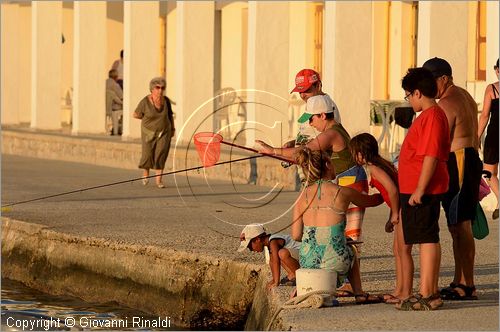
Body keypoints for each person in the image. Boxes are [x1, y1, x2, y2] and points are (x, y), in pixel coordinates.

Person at [256, 94, 369, 296]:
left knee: (351, 236)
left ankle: (351, 286)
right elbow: (308, 154)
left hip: (352, 181)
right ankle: (344, 280)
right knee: (343, 235)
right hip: (344, 181)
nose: (310, 123)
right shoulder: (332, 131)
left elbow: (307, 151)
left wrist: (272, 150)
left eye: (312, 118)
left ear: (323, 115)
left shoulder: (332, 133)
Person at [423, 57, 483, 301]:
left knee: (460, 225)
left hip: (458, 160)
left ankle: (467, 283)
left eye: (430, 82)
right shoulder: (465, 95)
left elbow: (439, 141)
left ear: (444, 79)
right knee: (458, 224)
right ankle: (461, 280)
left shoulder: (446, 104)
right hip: (468, 158)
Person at [291, 148, 384, 304]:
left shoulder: (302, 197)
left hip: (308, 262)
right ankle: (359, 293)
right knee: (351, 249)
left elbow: (295, 235)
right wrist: (390, 186)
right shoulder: (343, 192)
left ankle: (305, 287)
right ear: (328, 164)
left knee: (331, 246)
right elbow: (373, 201)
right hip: (335, 262)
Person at [395, 67, 450, 311]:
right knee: (422, 237)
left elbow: (431, 156)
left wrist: (419, 189)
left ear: (417, 93)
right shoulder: (426, 116)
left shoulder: (433, 116)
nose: (408, 100)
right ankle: (427, 291)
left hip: (422, 190)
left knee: (427, 237)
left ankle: (429, 293)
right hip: (414, 187)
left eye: (408, 95)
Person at [350, 133, 409, 304]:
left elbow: (392, 190)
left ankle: (404, 291)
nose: (354, 157)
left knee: (402, 251)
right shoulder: (380, 164)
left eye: (355, 153)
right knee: (397, 250)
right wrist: (391, 215)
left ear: (362, 153)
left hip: (403, 210)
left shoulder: (374, 168)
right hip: (400, 209)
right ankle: (399, 289)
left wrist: (395, 214)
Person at [133, 77, 175, 189]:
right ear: (152, 89)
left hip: (164, 131)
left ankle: (159, 181)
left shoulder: (166, 101)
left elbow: (169, 115)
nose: (160, 90)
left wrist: (173, 129)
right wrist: (147, 119)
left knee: (161, 153)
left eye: (162, 88)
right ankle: (146, 173)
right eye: (157, 88)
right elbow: (136, 114)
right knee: (147, 154)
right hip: (148, 132)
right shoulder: (145, 102)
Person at [238, 223, 301, 291]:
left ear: (257, 240)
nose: (251, 250)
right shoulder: (269, 242)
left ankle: (298, 276)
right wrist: (274, 280)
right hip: (297, 255)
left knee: (282, 253)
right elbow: (272, 261)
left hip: (304, 254)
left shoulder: (273, 241)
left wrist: (276, 282)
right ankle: (292, 274)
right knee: (278, 255)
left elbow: (276, 262)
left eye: (250, 247)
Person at [478, 59, 499, 220]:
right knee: (489, 172)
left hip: (494, 135)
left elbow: (485, 115)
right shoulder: (491, 88)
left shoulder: (492, 89)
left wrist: (476, 137)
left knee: (489, 172)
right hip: (493, 135)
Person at [105, 69, 123, 136]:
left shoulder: (104, 83)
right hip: (113, 108)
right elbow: (121, 96)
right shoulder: (115, 85)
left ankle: (115, 128)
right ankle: (119, 129)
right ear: (116, 76)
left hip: (105, 107)